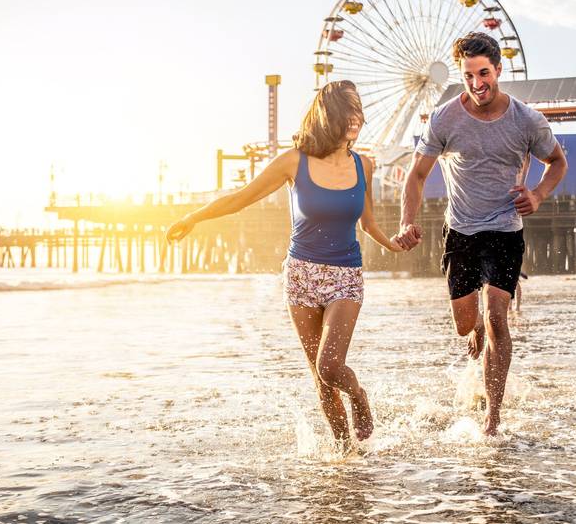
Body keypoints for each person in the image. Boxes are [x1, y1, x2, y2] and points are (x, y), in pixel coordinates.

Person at [166, 80, 402, 447]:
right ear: (329, 116)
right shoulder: (294, 161)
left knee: (330, 366)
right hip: (301, 276)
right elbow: (242, 198)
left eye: (358, 110)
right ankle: (345, 456)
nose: (356, 118)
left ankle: (359, 397)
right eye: (348, 111)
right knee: (320, 380)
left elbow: (368, 223)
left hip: (346, 276)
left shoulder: (364, 165)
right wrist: (194, 217)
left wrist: (394, 243)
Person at [393, 32, 568, 436]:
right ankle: (476, 328)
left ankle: (493, 417)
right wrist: (407, 220)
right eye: (468, 75)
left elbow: (557, 162)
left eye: (483, 73)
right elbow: (417, 175)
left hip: (506, 230)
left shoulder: (526, 120)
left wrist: (538, 195)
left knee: (497, 318)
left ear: (499, 69)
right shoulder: (446, 118)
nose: (477, 84)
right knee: (466, 323)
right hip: (462, 231)